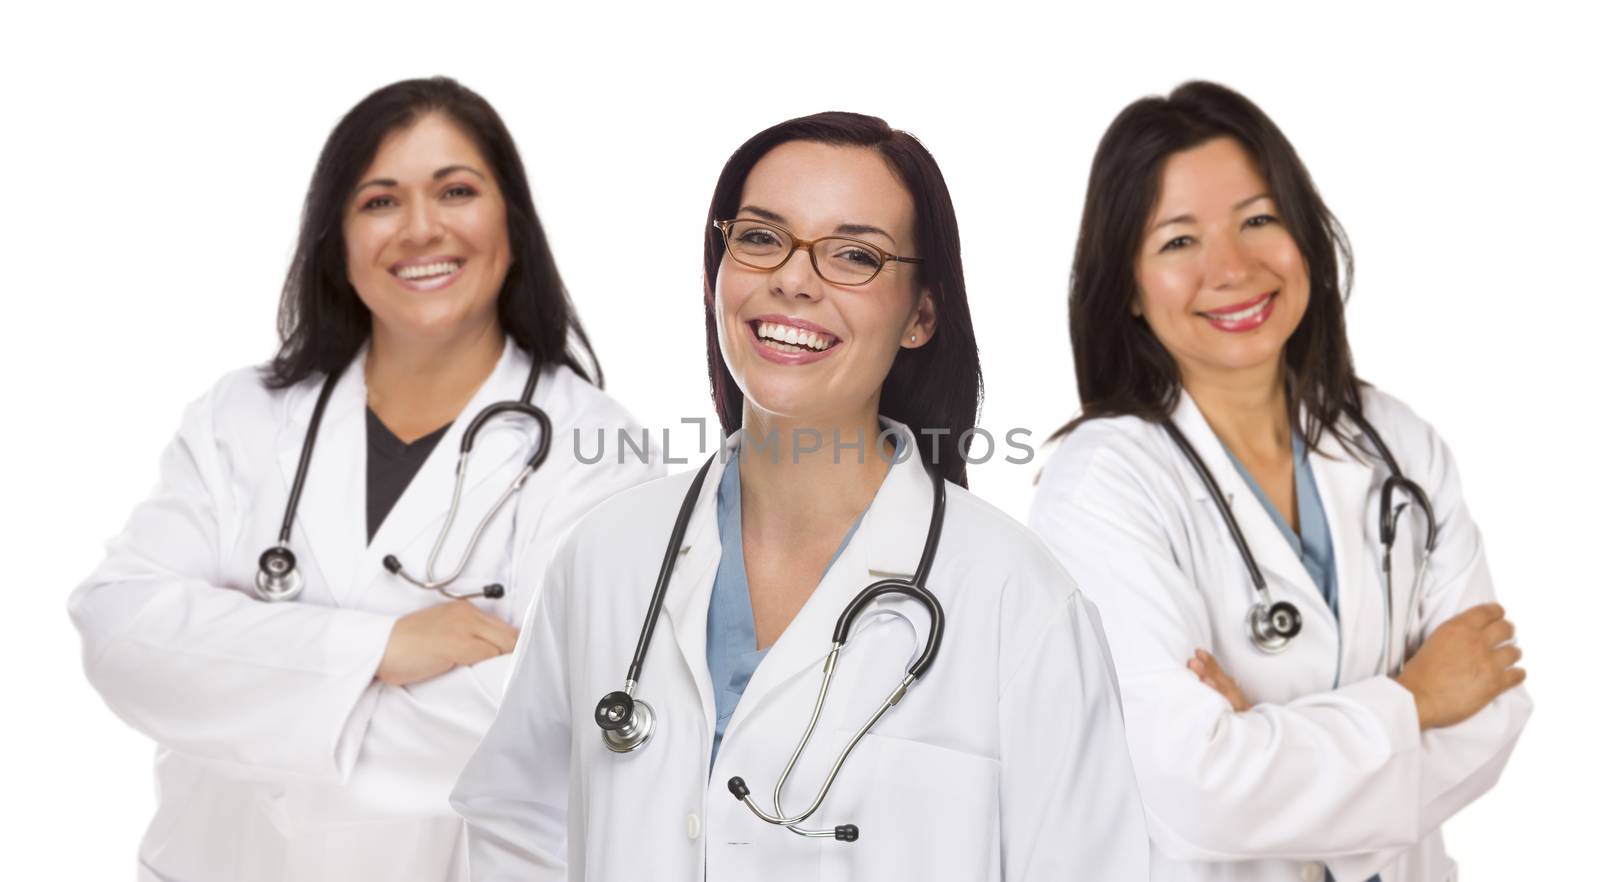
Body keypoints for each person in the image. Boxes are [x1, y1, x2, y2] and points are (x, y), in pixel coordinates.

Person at [451, 111, 1150, 881]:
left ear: (922, 315)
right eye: (759, 237)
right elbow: (515, 835)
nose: (792, 276)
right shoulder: (606, 556)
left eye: (854, 254)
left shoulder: (1017, 599)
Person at [68, 77, 660, 882]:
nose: (421, 229)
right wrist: (380, 646)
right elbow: (121, 629)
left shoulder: (599, 449)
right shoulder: (240, 418)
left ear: (511, 224)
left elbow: (547, 714)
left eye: (456, 191)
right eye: (380, 201)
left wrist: (238, 695)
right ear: (337, 240)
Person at [1029, 80, 1532, 882]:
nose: (1232, 267)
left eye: (1259, 219)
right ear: (1125, 283)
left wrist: (1265, 748)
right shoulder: (1102, 487)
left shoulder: (1398, 444)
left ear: (1305, 233)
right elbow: (1194, 792)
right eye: (1178, 241)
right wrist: (1415, 703)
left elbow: (1494, 710)